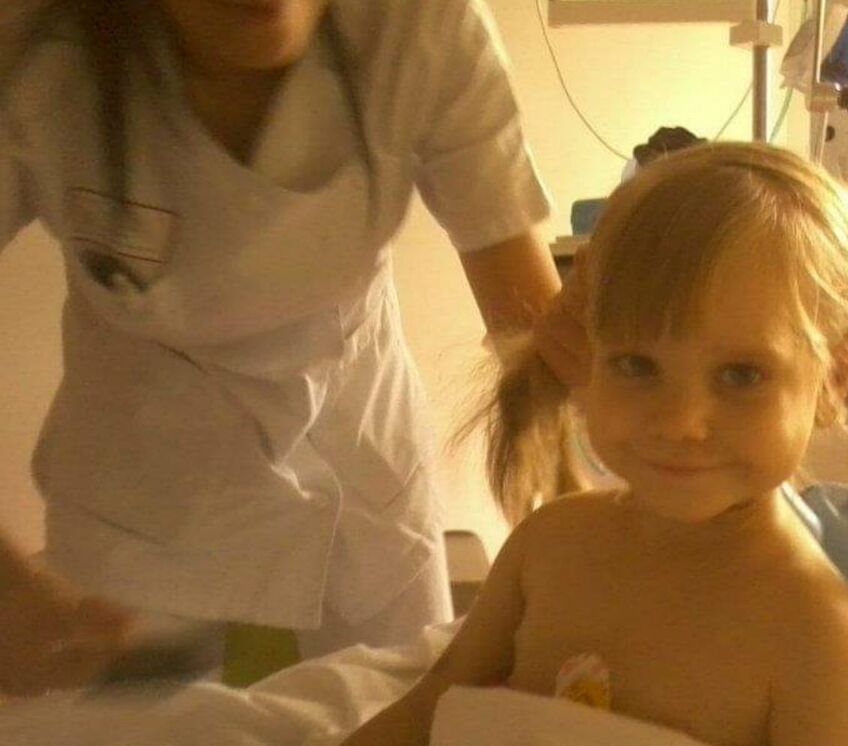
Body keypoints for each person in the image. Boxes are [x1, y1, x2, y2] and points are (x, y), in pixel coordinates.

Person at [285, 141, 848, 746]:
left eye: (741, 375)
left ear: (835, 376)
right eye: (638, 365)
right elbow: (428, 717)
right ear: (590, 353)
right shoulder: (549, 546)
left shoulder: (809, 633)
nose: (681, 421)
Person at [0, 0, 577, 692]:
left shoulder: (421, 26)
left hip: (362, 479)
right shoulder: (30, 53)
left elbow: (534, 341)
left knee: (396, 727)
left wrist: (594, 545)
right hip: (141, 514)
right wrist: (9, 586)